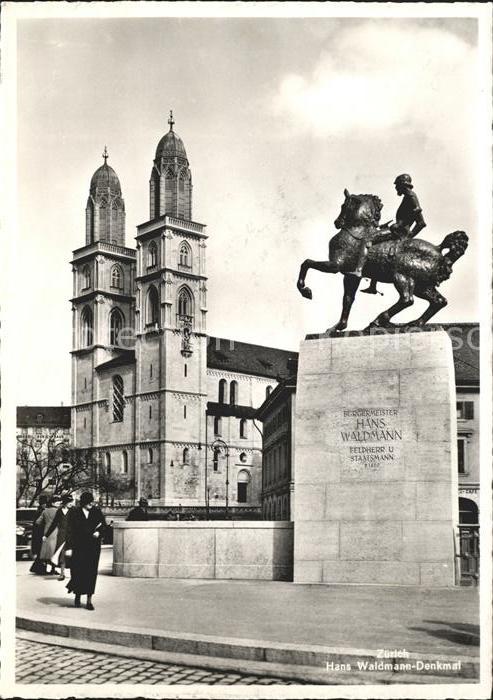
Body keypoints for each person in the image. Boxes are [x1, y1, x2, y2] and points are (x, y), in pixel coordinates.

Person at [360, 173, 427, 294]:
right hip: (397, 230)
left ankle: (358, 269)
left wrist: (407, 235)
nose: (396, 188)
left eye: (397, 186)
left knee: (368, 239)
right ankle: (372, 286)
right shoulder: (407, 196)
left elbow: (421, 223)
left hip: (399, 233)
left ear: (402, 185)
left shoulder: (411, 197)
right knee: (376, 248)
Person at [65, 492, 106, 611]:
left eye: (92, 501)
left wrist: (99, 533)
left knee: (91, 573)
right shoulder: (74, 512)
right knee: (77, 572)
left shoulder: (96, 512)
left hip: (93, 548)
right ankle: (77, 595)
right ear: (83, 502)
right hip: (78, 547)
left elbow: (103, 526)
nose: (91, 504)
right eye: (89, 502)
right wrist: (69, 548)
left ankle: (89, 600)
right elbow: (69, 531)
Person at [43, 493, 73, 581]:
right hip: (61, 536)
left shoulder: (74, 511)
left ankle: (73, 573)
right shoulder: (59, 512)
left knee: (72, 555)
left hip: (72, 536)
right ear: (65, 502)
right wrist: (46, 535)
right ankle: (62, 574)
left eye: (71, 501)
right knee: (62, 555)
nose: (71, 503)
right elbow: (54, 524)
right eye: (69, 502)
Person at [36, 494, 62, 574]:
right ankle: (53, 569)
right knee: (55, 550)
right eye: (58, 503)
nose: (59, 505)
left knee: (47, 551)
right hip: (56, 531)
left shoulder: (45, 511)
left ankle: (47, 568)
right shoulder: (59, 511)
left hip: (46, 532)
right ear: (53, 503)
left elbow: (37, 522)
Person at [29, 495, 48, 574]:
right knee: (42, 551)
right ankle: (40, 568)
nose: (45, 505)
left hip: (37, 533)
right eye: (45, 503)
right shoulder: (42, 511)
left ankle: (36, 568)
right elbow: (39, 523)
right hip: (40, 533)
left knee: (41, 551)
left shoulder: (39, 510)